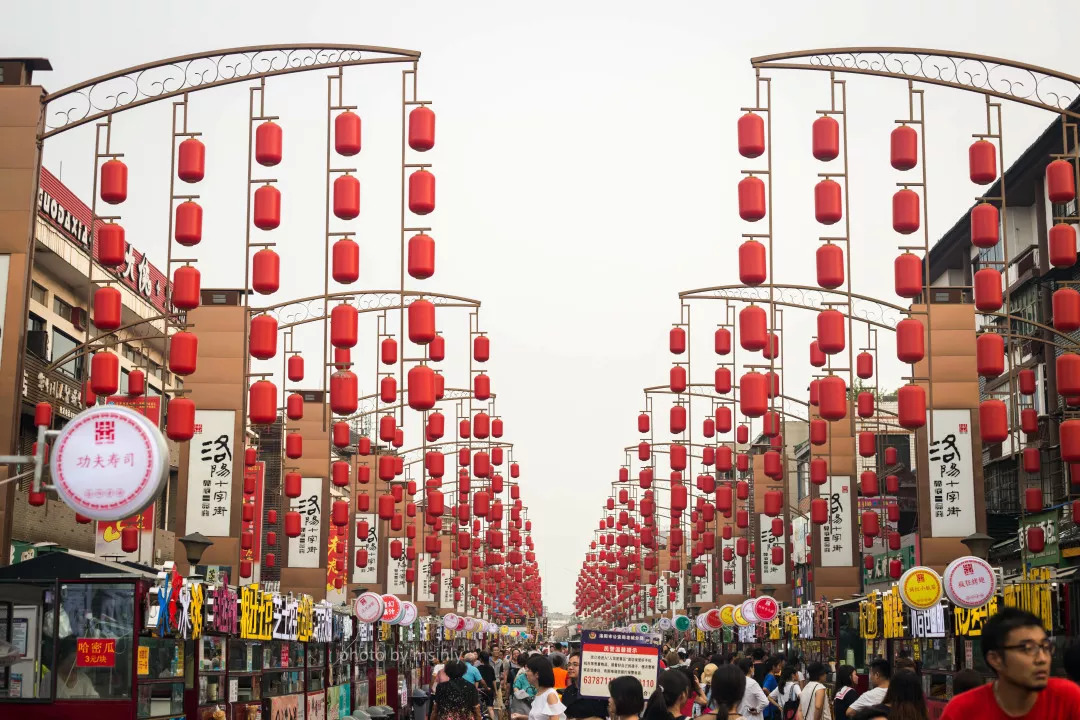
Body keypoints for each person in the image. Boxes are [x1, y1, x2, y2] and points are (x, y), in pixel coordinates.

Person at [939, 608, 1080, 719]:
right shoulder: (961, 711)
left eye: (1045, 647)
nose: (1042, 658)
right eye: (1028, 649)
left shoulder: (1068, 698)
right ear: (995, 659)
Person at [516, 655, 566, 720]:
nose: (526, 673)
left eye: (528, 670)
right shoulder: (539, 693)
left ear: (537, 674)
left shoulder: (550, 695)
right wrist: (521, 717)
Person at [563, 652, 608, 719]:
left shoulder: (598, 692)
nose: (570, 668)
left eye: (575, 664)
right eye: (569, 665)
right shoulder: (568, 691)